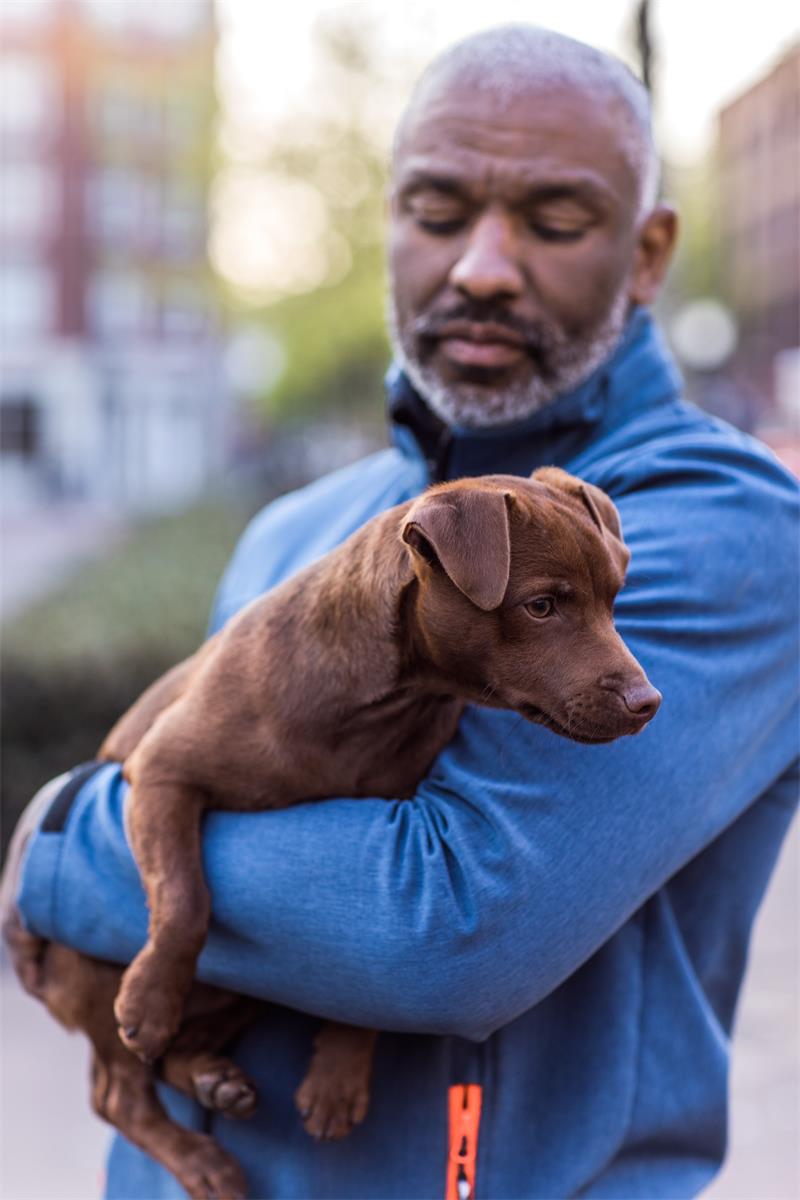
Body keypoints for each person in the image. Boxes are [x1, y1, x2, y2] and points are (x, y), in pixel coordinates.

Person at [9, 24, 799, 1200]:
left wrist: (63, 842)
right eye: (434, 211)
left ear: (646, 254)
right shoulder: (299, 528)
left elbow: (439, 927)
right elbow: (235, 789)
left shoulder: (724, 525)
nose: (480, 265)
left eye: (552, 218)